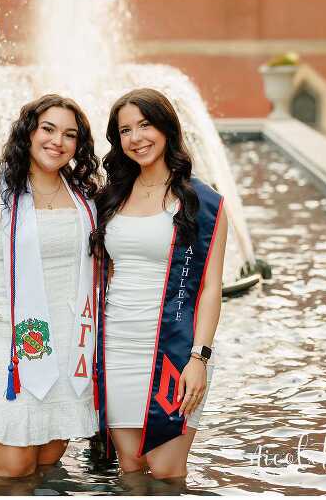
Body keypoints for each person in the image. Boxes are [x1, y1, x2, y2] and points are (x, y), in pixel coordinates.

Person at [0, 94, 101, 477]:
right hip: (6, 344)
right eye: (48, 129)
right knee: (14, 471)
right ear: (28, 132)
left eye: (69, 135)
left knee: (48, 462)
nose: (57, 142)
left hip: (70, 344)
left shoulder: (83, 194)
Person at [91, 88, 228, 479]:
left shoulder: (202, 202)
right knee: (130, 469)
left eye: (145, 125)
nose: (137, 138)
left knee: (166, 472)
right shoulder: (111, 198)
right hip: (117, 346)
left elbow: (210, 288)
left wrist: (199, 359)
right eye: (125, 130)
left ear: (166, 128)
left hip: (175, 349)